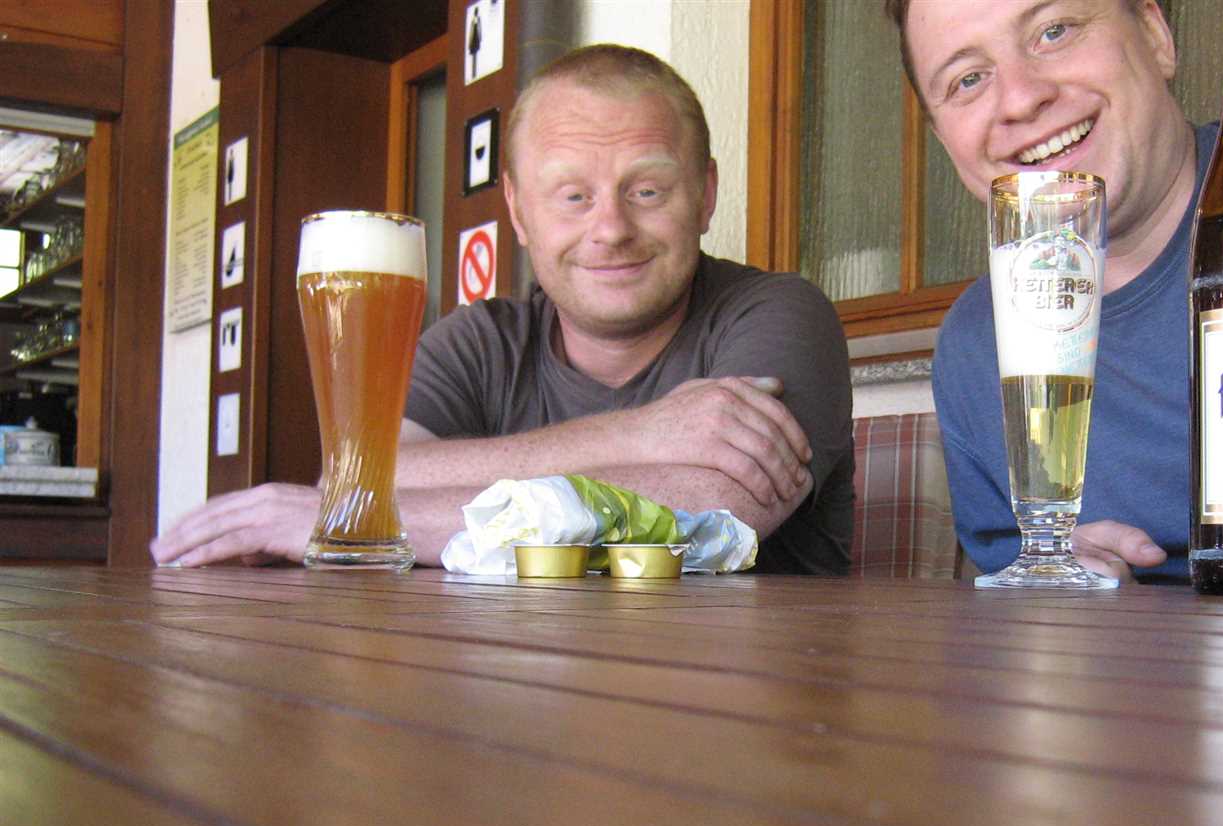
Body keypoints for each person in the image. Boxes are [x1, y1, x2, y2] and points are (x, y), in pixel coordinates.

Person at [152, 44, 854, 574]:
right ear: (518, 211)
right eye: (572, 196)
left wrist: (366, 523)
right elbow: (358, 477)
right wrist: (643, 435)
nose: (610, 228)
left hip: (732, 705)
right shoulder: (480, 341)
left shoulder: (779, 314)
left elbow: (718, 510)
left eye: (646, 191)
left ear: (705, 195)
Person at [886, 0, 1223, 590]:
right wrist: (1069, 588)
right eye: (968, 79)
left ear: (1156, 35)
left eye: (1053, 31)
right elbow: (1019, 598)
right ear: (943, 137)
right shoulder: (978, 345)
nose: (1021, 99)